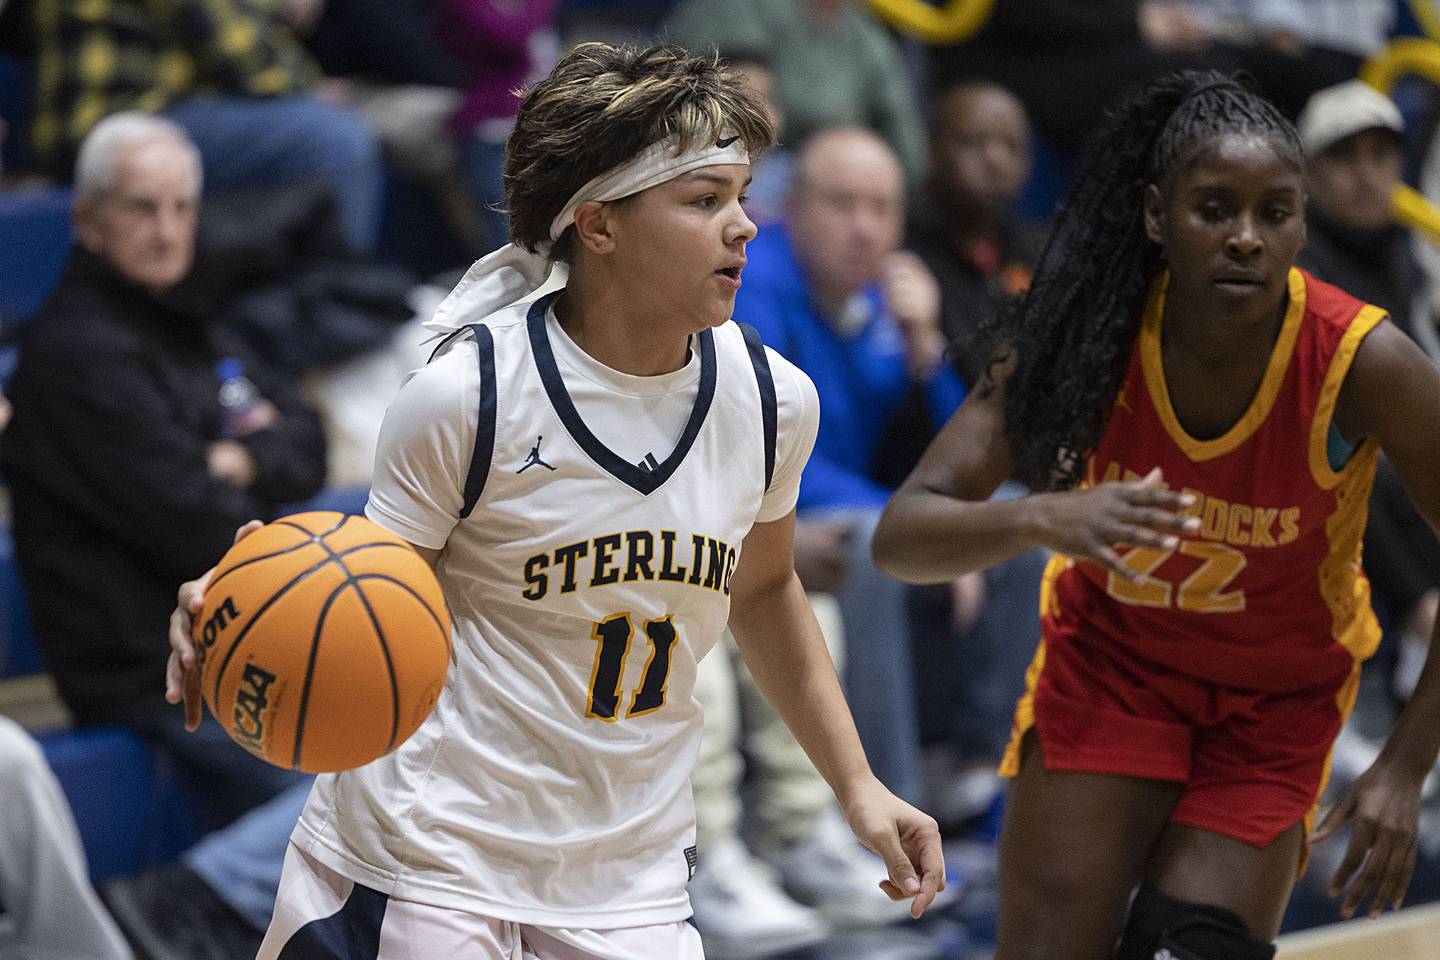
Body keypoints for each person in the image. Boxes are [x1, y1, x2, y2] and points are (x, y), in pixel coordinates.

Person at [166, 42, 945, 959]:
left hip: (632, 878)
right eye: (704, 201)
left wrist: (858, 787)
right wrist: (251, 606)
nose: (744, 227)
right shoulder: (471, 394)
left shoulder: (774, 402)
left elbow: (765, 592)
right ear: (598, 224)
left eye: (742, 196)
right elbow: (367, 592)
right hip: (427, 863)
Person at [872, 70, 1440, 959]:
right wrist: (1044, 517)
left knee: (1193, 946)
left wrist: (1405, 766)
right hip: (1114, 677)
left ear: (1301, 222)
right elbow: (902, 535)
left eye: (1276, 212)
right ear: (1155, 216)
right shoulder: (1080, 337)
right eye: (1215, 209)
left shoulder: (1366, 360)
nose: (1247, 238)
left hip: (1273, 706)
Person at [1, 112, 326, 960]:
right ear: (88, 219)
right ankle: (189, 904)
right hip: (156, 672)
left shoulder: (185, 319)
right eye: (143, 209)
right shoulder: (74, 359)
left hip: (241, 643)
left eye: (183, 207)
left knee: (434, 738)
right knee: (397, 766)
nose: (168, 230)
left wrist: (242, 459)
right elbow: (200, 522)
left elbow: (305, 436)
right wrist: (243, 466)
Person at [23, 0, 383, 252]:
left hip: (148, 112)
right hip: (108, 124)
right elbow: (238, 51)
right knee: (334, 137)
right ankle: (345, 307)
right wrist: (307, 88)